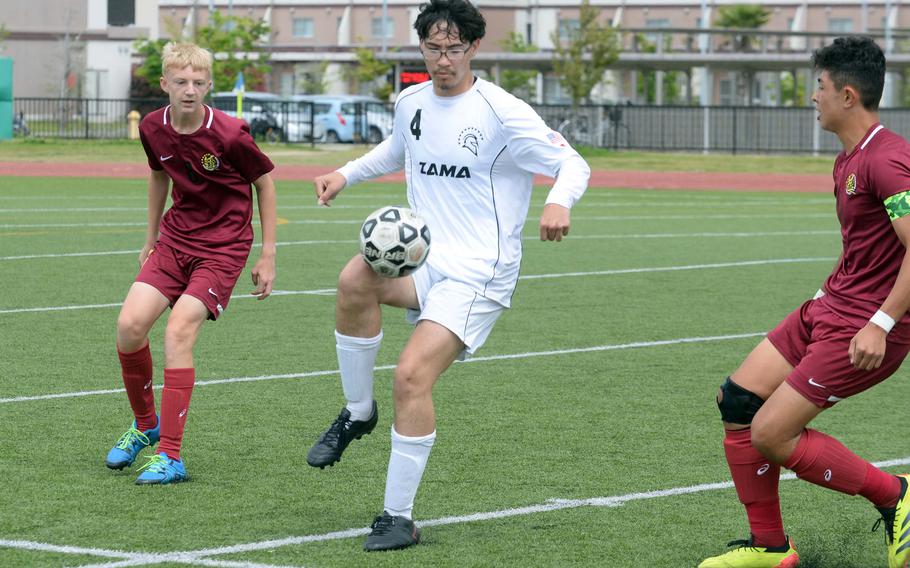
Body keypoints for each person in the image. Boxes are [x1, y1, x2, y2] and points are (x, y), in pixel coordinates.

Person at [307, 0, 590, 551]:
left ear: (474, 48)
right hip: (426, 260)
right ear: (422, 48)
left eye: (454, 48)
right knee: (352, 281)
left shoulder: (502, 111)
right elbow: (398, 148)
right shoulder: (411, 99)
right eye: (433, 48)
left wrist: (558, 201)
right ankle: (358, 412)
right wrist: (344, 174)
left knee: (412, 376)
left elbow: (572, 163)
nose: (443, 59)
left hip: (479, 272)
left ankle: (397, 517)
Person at [699, 36, 910, 568]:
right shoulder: (849, 159)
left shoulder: (888, 160)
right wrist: (823, 296)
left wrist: (881, 323)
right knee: (738, 401)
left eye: (817, 86)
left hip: (869, 327)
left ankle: (897, 496)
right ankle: (771, 548)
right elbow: (867, 250)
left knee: (772, 432)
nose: (811, 96)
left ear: (845, 94)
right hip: (832, 308)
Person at [105, 42, 277, 485]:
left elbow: (265, 182)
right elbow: (159, 174)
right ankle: (146, 426)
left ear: (208, 86)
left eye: (199, 83)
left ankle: (172, 456)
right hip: (175, 239)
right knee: (129, 327)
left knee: (179, 329)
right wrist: (150, 238)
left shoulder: (230, 133)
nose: (189, 90)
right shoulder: (151, 127)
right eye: (180, 82)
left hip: (222, 247)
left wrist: (268, 253)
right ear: (164, 84)